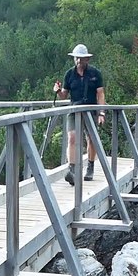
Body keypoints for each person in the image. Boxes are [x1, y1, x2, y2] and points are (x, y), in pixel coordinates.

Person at [53, 43, 105, 185]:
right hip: (74, 110)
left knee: (91, 138)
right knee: (72, 138)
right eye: (76, 58)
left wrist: (101, 113)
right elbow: (64, 95)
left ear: (87, 59)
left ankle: (90, 166)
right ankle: (72, 170)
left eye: (81, 59)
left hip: (91, 110)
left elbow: (100, 94)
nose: (79, 61)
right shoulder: (69, 74)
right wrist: (57, 91)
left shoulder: (95, 73)